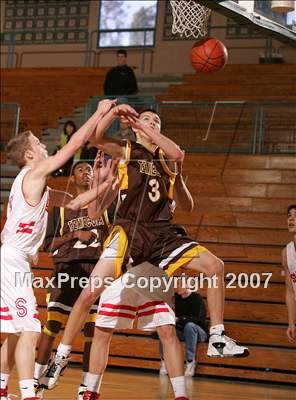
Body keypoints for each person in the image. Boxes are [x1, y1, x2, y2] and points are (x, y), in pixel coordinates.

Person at [42, 107, 248, 400]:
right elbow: (98, 137)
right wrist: (113, 112)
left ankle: (216, 337)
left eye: (157, 121)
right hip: (129, 232)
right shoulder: (130, 150)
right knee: (89, 295)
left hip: (161, 236)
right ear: (137, 129)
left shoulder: (167, 160)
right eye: (147, 120)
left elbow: (179, 165)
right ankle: (63, 355)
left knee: (215, 267)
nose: (152, 122)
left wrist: (176, 175)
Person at [0, 99, 134, 400]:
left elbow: (75, 204)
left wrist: (109, 183)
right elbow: (71, 147)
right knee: (31, 329)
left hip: (13, 260)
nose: (44, 146)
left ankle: (1, 388)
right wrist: (99, 113)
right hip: (12, 260)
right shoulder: (33, 173)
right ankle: (28, 394)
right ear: (30, 154)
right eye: (38, 143)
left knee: (16, 330)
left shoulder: (38, 185)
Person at [34, 158, 115, 400]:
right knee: (52, 327)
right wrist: (73, 235)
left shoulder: (104, 208)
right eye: (80, 169)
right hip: (66, 270)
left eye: (89, 169)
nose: (85, 172)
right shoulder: (61, 209)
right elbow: (47, 244)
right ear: (72, 177)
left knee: (93, 331)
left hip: (94, 271)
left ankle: (85, 389)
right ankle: (37, 384)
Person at [159, 287, 208, 377]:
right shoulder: (175, 298)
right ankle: (164, 361)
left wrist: (180, 319)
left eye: (180, 284)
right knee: (164, 328)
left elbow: (199, 320)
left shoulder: (196, 298)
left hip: (199, 332)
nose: (177, 287)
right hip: (182, 331)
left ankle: (190, 362)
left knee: (189, 326)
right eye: (177, 284)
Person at [282, 204, 296, 343]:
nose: (291, 219)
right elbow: (291, 291)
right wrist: (291, 322)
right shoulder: (287, 252)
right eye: (289, 215)